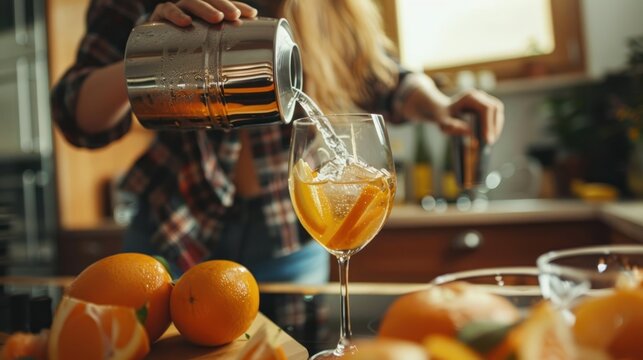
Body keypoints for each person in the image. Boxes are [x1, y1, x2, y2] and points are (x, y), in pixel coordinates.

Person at [51, 0, 504, 282]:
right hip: (173, 229)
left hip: (289, 239)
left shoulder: (330, 8)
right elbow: (74, 113)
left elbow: (387, 77)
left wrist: (439, 104)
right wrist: (155, 51)